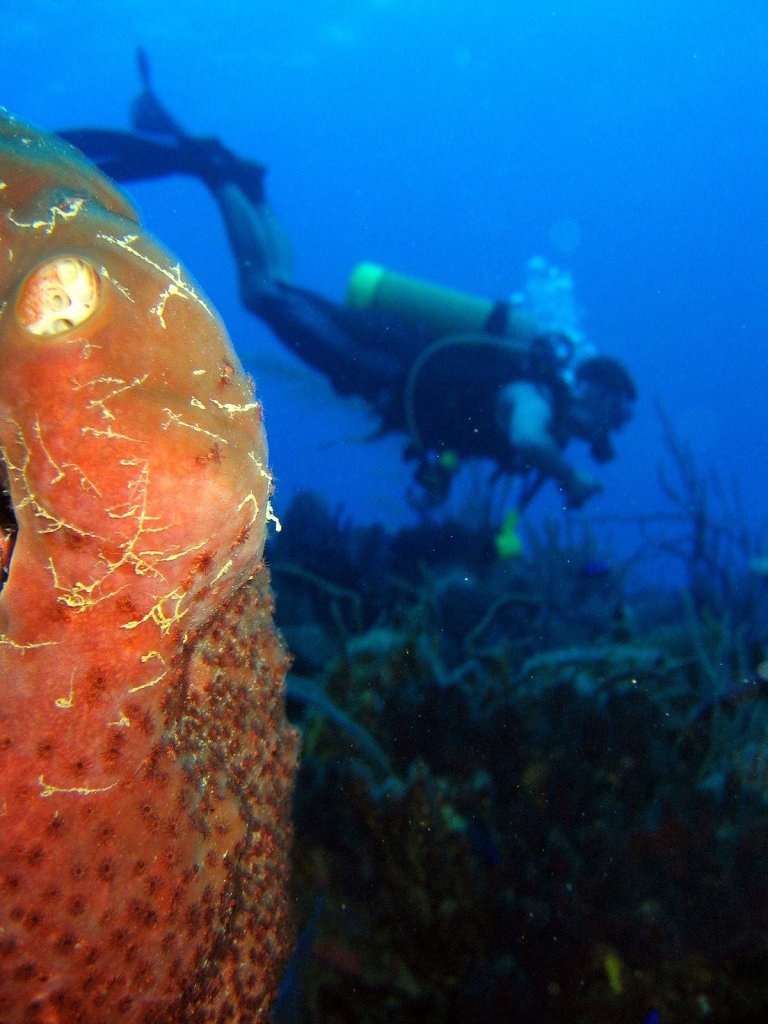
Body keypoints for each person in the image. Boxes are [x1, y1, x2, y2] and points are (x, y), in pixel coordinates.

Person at [60, 52, 636, 513]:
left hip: (390, 355)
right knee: (263, 294)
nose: (611, 427)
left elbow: (472, 422)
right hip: (382, 365)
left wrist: (441, 470)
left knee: (280, 284)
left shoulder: (533, 388)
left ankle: (250, 189)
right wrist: (571, 476)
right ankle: (217, 175)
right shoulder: (539, 396)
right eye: (617, 412)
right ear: (597, 395)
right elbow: (527, 436)